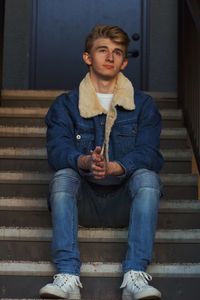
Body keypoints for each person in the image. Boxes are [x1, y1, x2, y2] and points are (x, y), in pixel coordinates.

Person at [39, 24, 164, 300]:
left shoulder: (143, 105)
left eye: (117, 52)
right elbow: (57, 150)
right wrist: (83, 160)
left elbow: (150, 153)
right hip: (83, 202)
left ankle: (135, 276)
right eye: (103, 50)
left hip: (125, 202)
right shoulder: (65, 105)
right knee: (63, 176)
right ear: (87, 57)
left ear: (124, 62)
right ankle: (67, 276)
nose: (110, 57)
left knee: (148, 177)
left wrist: (118, 167)